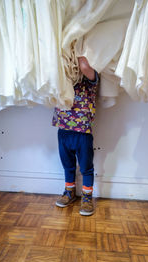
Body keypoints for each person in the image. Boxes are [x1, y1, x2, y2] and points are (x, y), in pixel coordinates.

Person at [52, 56, 99, 216]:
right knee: (67, 165)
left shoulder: (89, 81)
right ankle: (69, 191)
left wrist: (73, 51)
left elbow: (85, 66)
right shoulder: (60, 79)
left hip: (82, 132)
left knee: (86, 167)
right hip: (63, 130)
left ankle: (87, 197)